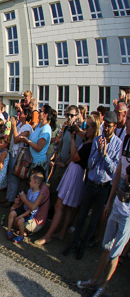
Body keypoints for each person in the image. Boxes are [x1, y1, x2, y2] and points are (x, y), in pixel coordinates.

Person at [76, 130, 130, 297]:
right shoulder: (127, 140)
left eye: (129, 118)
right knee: (106, 247)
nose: (127, 123)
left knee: (115, 253)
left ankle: (103, 287)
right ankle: (94, 282)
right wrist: (110, 201)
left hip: (128, 212)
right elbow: (119, 171)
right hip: (116, 204)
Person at [64, 111, 122, 260]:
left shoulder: (118, 144)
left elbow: (114, 170)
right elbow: (89, 164)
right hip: (91, 183)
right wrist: (98, 154)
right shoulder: (97, 140)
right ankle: (74, 244)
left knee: (93, 220)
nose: (106, 129)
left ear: (114, 127)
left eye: (109, 127)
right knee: (82, 216)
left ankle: (82, 246)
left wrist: (105, 155)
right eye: (105, 126)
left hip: (103, 187)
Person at [35, 115, 101, 245]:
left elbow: (74, 155)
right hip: (74, 171)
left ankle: (48, 235)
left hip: (75, 172)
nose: (84, 129)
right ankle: (61, 232)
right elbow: (79, 131)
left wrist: (71, 139)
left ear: (94, 129)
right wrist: (74, 123)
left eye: (87, 127)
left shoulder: (90, 145)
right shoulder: (88, 138)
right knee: (67, 207)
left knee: (60, 204)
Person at [6, 172, 46, 243]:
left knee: (20, 221)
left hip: (28, 212)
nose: (29, 182)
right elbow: (26, 200)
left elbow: (31, 209)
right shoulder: (30, 190)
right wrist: (20, 201)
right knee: (12, 213)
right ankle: (9, 231)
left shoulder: (37, 195)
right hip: (24, 208)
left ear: (35, 182)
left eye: (30, 181)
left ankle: (21, 236)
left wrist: (20, 216)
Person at [5, 110, 33, 207]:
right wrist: (13, 128)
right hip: (12, 152)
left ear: (26, 116)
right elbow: (11, 137)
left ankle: (11, 199)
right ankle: (8, 197)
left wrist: (14, 127)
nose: (19, 115)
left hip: (18, 155)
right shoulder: (19, 125)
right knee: (9, 177)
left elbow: (17, 139)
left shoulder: (28, 127)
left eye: (21, 113)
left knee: (14, 179)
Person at [21, 105, 56, 173]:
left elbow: (39, 148)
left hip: (38, 163)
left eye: (41, 111)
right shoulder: (39, 126)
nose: (39, 113)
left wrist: (27, 141)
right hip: (32, 160)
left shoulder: (46, 128)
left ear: (45, 115)